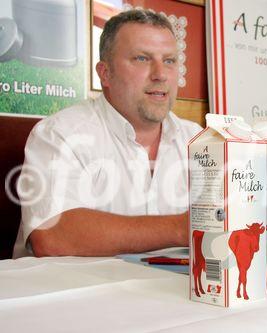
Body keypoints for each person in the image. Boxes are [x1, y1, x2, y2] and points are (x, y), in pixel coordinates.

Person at [13, 8, 202, 257]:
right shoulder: (60, 134)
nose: (160, 75)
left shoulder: (198, 140)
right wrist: (184, 228)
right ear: (105, 73)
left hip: (164, 293)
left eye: (169, 61)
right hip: (70, 294)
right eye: (142, 59)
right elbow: (52, 236)